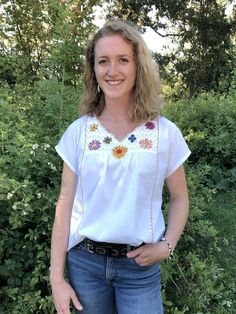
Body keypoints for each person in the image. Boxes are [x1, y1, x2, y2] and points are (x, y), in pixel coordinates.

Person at [50, 19, 191, 314]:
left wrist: (167, 246)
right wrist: (56, 278)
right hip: (84, 264)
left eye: (123, 60)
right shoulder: (79, 133)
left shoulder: (164, 133)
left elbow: (179, 197)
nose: (112, 71)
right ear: (94, 69)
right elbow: (64, 205)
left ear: (138, 65)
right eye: (103, 61)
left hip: (139, 269)